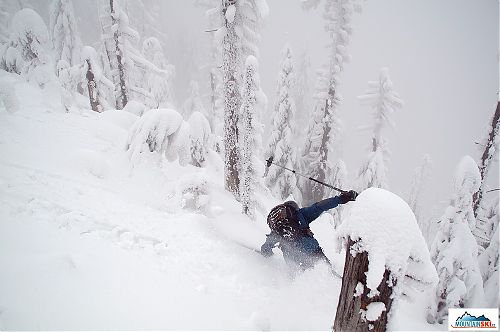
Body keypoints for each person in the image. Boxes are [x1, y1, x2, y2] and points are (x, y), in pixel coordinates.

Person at [260, 190, 358, 271]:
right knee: (325, 271)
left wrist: (267, 252)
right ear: (295, 208)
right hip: (310, 248)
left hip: (291, 258)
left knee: (298, 278)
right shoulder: (301, 214)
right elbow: (320, 206)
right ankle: (333, 280)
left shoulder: (277, 228)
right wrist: (341, 198)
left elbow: (266, 248)